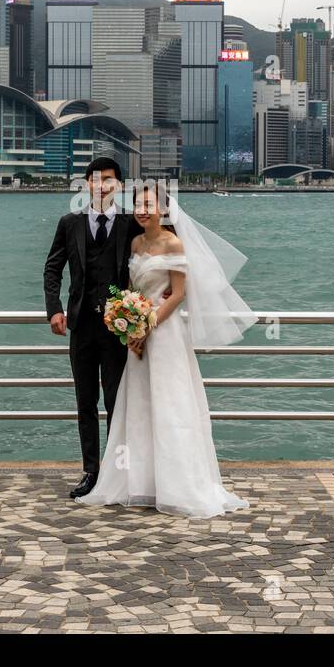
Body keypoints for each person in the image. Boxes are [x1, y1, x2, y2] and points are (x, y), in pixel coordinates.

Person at [77, 182, 255, 518]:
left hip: (166, 334)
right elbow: (130, 290)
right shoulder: (134, 242)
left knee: (172, 405)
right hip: (137, 339)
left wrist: (147, 324)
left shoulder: (174, 243)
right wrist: (128, 323)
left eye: (148, 204)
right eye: (138, 204)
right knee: (139, 406)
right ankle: (141, 483)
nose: (142, 210)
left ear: (163, 207)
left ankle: (178, 485)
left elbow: (177, 294)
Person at [44, 158, 167, 498]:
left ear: (119, 186)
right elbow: (52, 269)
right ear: (86, 185)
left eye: (109, 180)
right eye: (96, 180)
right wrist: (54, 309)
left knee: (117, 403)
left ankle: (118, 473)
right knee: (85, 401)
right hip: (81, 326)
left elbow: (166, 243)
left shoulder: (131, 224)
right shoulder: (69, 223)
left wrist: (169, 286)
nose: (102, 185)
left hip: (119, 330)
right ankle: (91, 472)